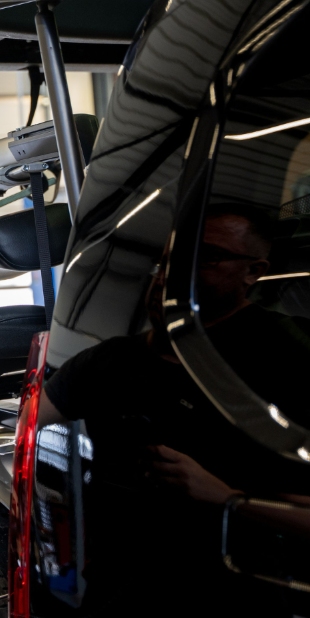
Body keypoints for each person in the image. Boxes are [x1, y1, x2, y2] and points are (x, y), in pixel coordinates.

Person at [38, 203, 310, 616]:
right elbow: (25, 431)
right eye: (168, 260)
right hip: (120, 594)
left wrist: (226, 497)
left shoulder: (284, 357)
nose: (172, 274)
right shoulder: (110, 362)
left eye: (208, 258)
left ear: (252, 272)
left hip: (239, 595)